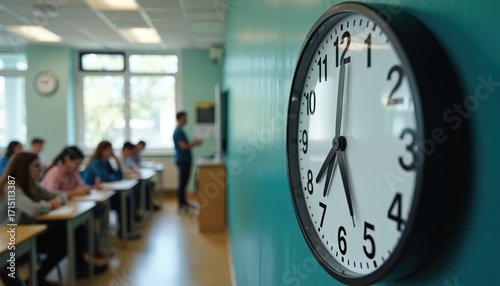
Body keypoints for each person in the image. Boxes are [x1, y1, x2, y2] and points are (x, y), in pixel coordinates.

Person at [0, 153, 106, 286]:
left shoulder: (32, 185)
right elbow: (34, 209)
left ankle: (38, 278)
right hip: (9, 239)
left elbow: (61, 195)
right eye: (36, 166)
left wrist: (54, 201)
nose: (41, 170)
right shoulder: (11, 187)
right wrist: (50, 204)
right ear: (23, 168)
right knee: (65, 237)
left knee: (71, 234)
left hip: (27, 234)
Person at [40, 146, 110, 259]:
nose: (77, 167)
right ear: (67, 159)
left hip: (67, 209)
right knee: (80, 228)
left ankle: (91, 250)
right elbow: (52, 195)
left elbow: (82, 187)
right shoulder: (55, 172)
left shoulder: (73, 172)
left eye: (79, 164)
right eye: (76, 163)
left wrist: (92, 187)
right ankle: (86, 255)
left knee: (94, 213)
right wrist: (75, 193)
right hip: (53, 214)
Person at [83, 141, 140, 239]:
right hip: (93, 196)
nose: (112, 152)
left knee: (128, 198)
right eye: (109, 150)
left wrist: (116, 159)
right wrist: (113, 177)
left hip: (103, 192)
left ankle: (125, 230)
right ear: (103, 151)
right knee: (122, 201)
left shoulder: (107, 162)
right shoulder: (96, 163)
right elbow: (106, 178)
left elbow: (119, 176)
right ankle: (124, 232)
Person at [173, 111, 202, 211]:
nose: (187, 120)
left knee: (184, 183)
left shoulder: (180, 130)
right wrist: (194, 143)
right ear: (180, 118)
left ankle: (184, 202)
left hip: (184, 160)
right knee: (183, 183)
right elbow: (183, 146)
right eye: (185, 118)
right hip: (183, 160)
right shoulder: (178, 132)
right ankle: (181, 204)